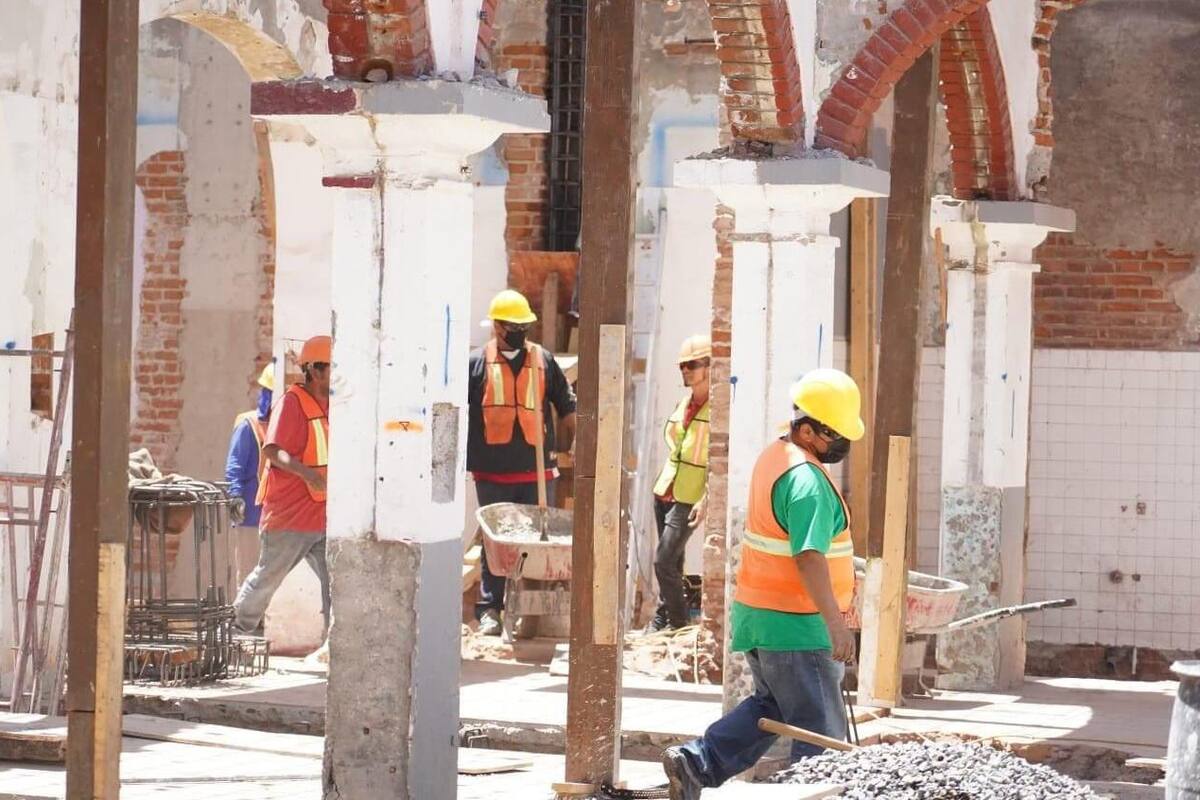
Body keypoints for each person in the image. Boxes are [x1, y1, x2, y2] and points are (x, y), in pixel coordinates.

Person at [660, 368, 865, 800]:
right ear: (807, 429)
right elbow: (808, 556)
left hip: (764, 616)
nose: (842, 445)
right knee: (820, 731)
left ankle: (696, 763)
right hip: (799, 624)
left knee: (772, 708)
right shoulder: (807, 481)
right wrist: (836, 623)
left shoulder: (779, 454)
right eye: (834, 435)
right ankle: (816, 794)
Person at [468, 289, 577, 636]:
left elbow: (568, 406)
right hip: (492, 472)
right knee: (495, 544)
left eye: (522, 325)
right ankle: (490, 610)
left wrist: (571, 445)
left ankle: (531, 615)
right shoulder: (476, 363)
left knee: (537, 544)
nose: (517, 331)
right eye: (512, 325)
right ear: (497, 327)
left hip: (537, 472)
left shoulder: (542, 360)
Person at [233, 336, 332, 637]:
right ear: (315, 371)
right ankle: (236, 629)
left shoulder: (329, 404)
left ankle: (336, 641)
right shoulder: (292, 403)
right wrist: (307, 474)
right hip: (291, 515)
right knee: (268, 577)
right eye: (334, 367)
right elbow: (273, 450)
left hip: (321, 512)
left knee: (337, 581)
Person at [647, 334, 712, 632]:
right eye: (682, 366)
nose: (685, 371)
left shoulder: (717, 411)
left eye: (692, 365)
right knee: (672, 564)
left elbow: (721, 460)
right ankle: (664, 616)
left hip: (689, 495)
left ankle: (677, 621)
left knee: (663, 561)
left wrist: (706, 498)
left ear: (710, 367)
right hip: (666, 490)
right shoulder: (683, 403)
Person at [225, 362, 274, 584]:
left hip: (276, 515)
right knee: (248, 572)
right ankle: (245, 619)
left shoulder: (281, 425)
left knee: (269, 575)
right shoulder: (249, 424)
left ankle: (261, 617)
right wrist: (235, 497)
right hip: (251, 514)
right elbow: (235, 465)